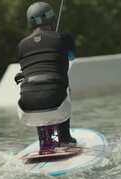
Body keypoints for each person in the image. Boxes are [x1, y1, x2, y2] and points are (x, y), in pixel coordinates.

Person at [15, 1, 76, 154]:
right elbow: (72, 57)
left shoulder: (22, 45)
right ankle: (64, 138)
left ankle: (46, 142)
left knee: (36, 89)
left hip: (26, 108)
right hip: (56, 102)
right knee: (63, 87)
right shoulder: (63, 38)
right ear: (51, 18)